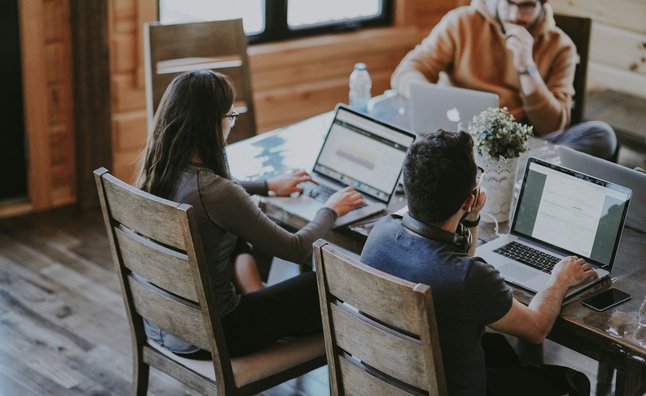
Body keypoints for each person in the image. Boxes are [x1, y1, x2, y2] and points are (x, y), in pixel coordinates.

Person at [136, 70, 365, 358]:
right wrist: (330, 209)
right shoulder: (216, 193)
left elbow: (216, 195)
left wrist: (267, 186)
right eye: (230, 116)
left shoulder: (159, 171)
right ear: (212, 123)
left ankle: (259, 296)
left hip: (163, 323)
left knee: (236, 234)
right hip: (218, 333)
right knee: (317, 284)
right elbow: (295, 249)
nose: (231, 124)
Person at [360, 130, 595, 395]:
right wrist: (560, 278)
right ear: (469, 199)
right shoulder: (470, 278)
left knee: (500, 350)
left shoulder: (380, 233)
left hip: (389, 380)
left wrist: (470, 220)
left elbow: (455, 268)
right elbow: (537, 328)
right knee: (574, 382)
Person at [391, 0, 617, 161]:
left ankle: (519, 174)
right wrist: (430, 100)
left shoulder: (561, 46)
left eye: (527, 5)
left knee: (602, 135)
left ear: (542, 3)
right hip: (457, 136)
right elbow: (407, 72)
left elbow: (553, 125)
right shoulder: (461, 22)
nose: (516, 15)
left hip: (520, 147)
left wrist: (527, 68)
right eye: (508, 2)